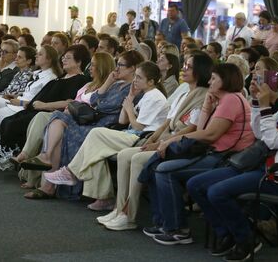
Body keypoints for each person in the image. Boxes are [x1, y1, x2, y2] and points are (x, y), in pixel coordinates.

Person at [186, 65, 278, 260]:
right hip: (256, 166)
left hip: (274, 176)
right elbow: (259, 132)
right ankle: (228, 233)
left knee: (217, 192)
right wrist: (255, 102)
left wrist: (266, 106)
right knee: (195, 184)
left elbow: (273, 140)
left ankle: (245, 239)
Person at [93, 52, 213, 230]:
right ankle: (119, 209)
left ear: (200, 70)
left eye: (189, 66)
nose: (184, 68)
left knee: (136, 158)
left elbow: (191, 128)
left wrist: (159, 143)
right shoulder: (184, 93)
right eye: (185, 65)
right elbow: (167, 123)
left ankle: (128, 214)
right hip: (165, 139)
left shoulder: (202, 95)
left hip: (179, 144)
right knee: (124, 155)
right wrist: (153, 139)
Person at [142, 63, 255, 245]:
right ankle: (169, 224)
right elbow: (203, 131)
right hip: (217, 154)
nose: (209, 81)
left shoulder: (231, 100)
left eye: (214, 78)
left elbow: (209, 135)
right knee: (159, 166)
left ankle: (177, 228)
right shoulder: (226, 99)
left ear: (225, 80)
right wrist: (206, 107)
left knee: (164, 170)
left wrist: (171, 140)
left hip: (225, 158)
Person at [19, 50, 144, 199]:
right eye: (117, 64)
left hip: (106, 124)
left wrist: (100, 102)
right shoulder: (115, 84)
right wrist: (108, 82)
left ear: (132, 68)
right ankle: (46, 161)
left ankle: (49, 185)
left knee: (63, 134)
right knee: (57, 118)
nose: (116, 69)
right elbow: (93, 100)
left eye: (121, 65)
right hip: (95, 120)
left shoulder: (134, 89)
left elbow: (107, 106)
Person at [42, 61, 169, 208]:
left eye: (139, 78)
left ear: (151, 81)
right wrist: (130, 97)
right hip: (132, 133)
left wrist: (128, 108)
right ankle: (102, 197)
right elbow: (123, 120)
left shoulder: (154, 96)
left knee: (96, 134)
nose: (135, 81)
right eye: (135, 77)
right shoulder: (145, 94)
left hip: (143, 137)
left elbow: (139, 126)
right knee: (96, 146)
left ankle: (70, 172)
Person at [12, 52, 115, 188]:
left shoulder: (106, 86)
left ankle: (30, 159)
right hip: (68, 115)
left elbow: (94, 103)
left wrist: (66, 107)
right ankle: (30, 161)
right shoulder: (88, 84)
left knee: (46, 121)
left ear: (102, 67)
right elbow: (74, 101)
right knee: (40, 118)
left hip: (81, 120)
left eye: (94, 65)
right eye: (90, 64)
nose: (89, 67)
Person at [0, 45, 92, 160]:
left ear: (79, 62)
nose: (63, 60)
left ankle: (4, 156)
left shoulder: (80, 80)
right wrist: (24, 103)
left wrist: (44, 105)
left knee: (12, 124)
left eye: (68, 58)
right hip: (33, 108)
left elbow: (70, 102)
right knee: (6, 121)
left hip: (48, 112)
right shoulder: (61, 77)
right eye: (63, 57)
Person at [0, 45, 61, 153]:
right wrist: (16, 97)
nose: (36, 56)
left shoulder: (50, 78)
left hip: (24, 107)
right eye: (37, 53)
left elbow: (40, 101)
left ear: (49, 59)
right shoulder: (38, 73)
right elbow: (28, 93)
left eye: (40, 54)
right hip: (18, 101)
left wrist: (19, 101)